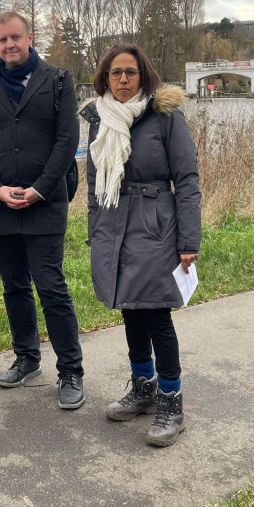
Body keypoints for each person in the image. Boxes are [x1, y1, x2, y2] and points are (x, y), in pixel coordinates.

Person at [80, 43, 201, 447]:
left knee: (154, 313)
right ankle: (143, 386)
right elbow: (94, 184)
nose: (123, 79)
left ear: (142, 75)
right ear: (105, 78)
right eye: (116, 73)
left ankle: (171, 400)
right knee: (129, 310)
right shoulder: (100, 119)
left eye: (130, 72)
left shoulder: (165, 116)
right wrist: (95, 230)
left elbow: (186, 181)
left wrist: (188, 239)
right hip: (114, 223)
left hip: (155, 225)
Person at [0, 10, 85, 410]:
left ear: (29, 37)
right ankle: (27, 357)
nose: (9, 46)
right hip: (1, 205)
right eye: (2, 40)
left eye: (15, 37)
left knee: (51, 287)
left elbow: (68, 139)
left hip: (44, 203)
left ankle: (71, 370)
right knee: (14, 286)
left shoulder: (58, 81)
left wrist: (39, 189)